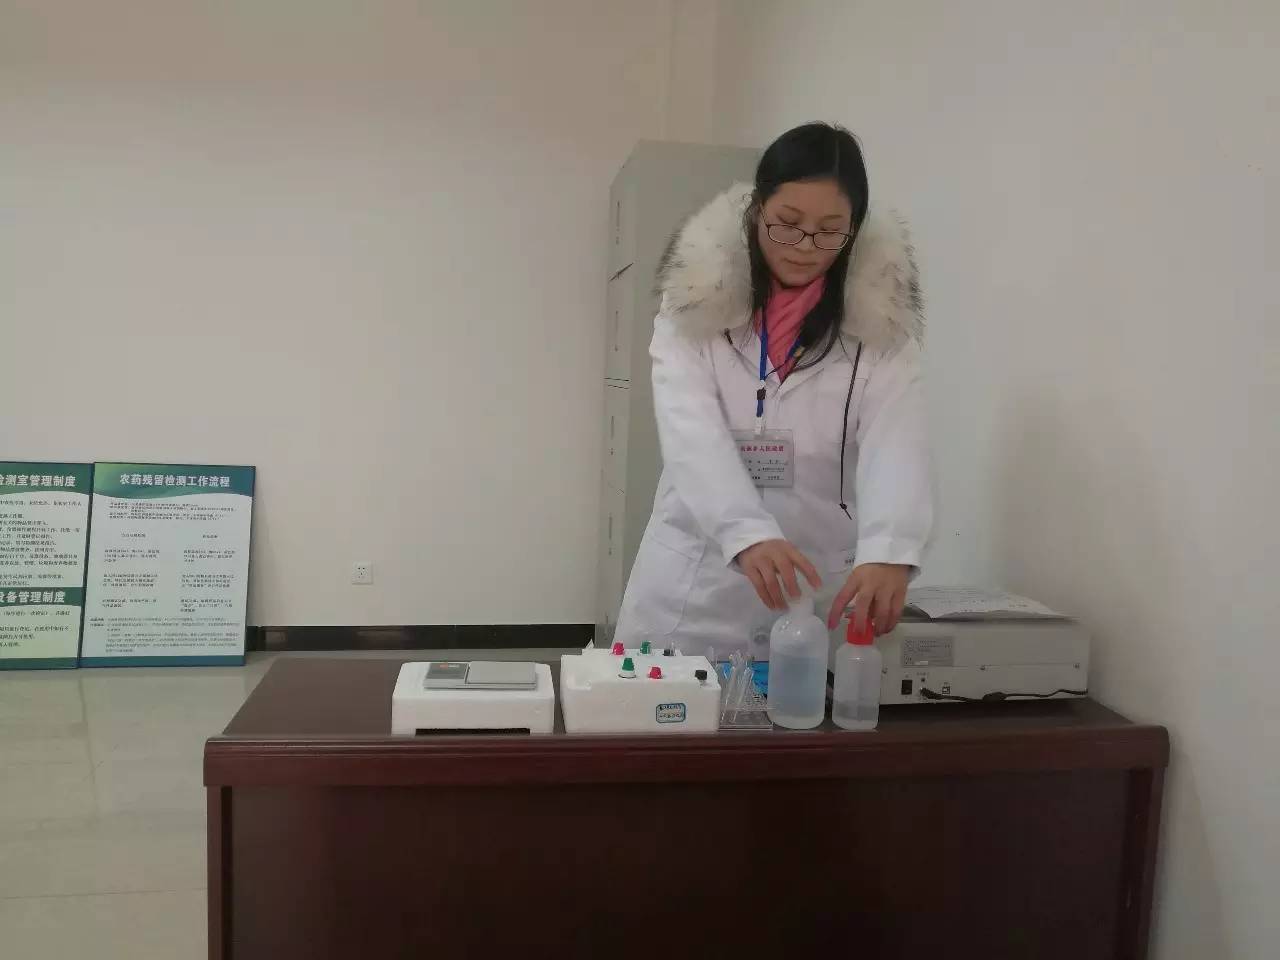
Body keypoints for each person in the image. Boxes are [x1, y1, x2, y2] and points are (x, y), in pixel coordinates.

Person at [613, 123, 932, 658]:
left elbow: (898, 442)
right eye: (787, 224)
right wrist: (744, 531)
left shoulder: (881, 330)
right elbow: (692, 432)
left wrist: (890, 547)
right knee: (666, 710)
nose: (806, 247)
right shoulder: (693, 307)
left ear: (854, 229)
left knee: (805, 709)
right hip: (697, 588)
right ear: (757, 209)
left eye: (830, 231)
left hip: (814, 589)